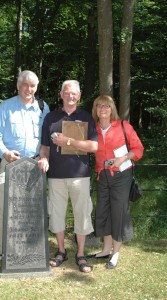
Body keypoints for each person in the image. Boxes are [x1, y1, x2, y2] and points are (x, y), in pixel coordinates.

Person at [0, 70, 50, 266]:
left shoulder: (43, 108)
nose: (29, 89)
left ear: (36, 87)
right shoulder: (6, 107)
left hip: (36, 165)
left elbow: (47, 138)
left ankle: (30, 250)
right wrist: (5, 153)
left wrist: (45, 156)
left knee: (33, 210)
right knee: (5, 207)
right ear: (18, 86)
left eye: (33, 86)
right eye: (25, 85)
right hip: (11, 164)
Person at [38, 80, 98, 273]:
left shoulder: (87, 117)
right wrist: (44, 159)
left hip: (80, 175)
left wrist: (68, 141)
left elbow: (94, 147)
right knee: (56, 213)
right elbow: (45, 147)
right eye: (67, 93)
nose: (70, 96)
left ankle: (80, 254)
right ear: (61, 94)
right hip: (56, 175)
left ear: (79, 96)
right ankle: (61, 250)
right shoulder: (51, 118)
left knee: (82, 214)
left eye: (74, 93)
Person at [87, 95, 144, 270]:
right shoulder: (93, 129)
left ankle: (115, 252)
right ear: (95, 109)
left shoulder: (123, 126)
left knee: (118, 212)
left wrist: (123, 158)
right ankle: (105, 249)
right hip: (102, 176)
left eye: (107, 106)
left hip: (121, 176)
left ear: (112, 109)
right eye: (99, 106)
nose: (103, 109)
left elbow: (138, 149)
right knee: (103, 211)